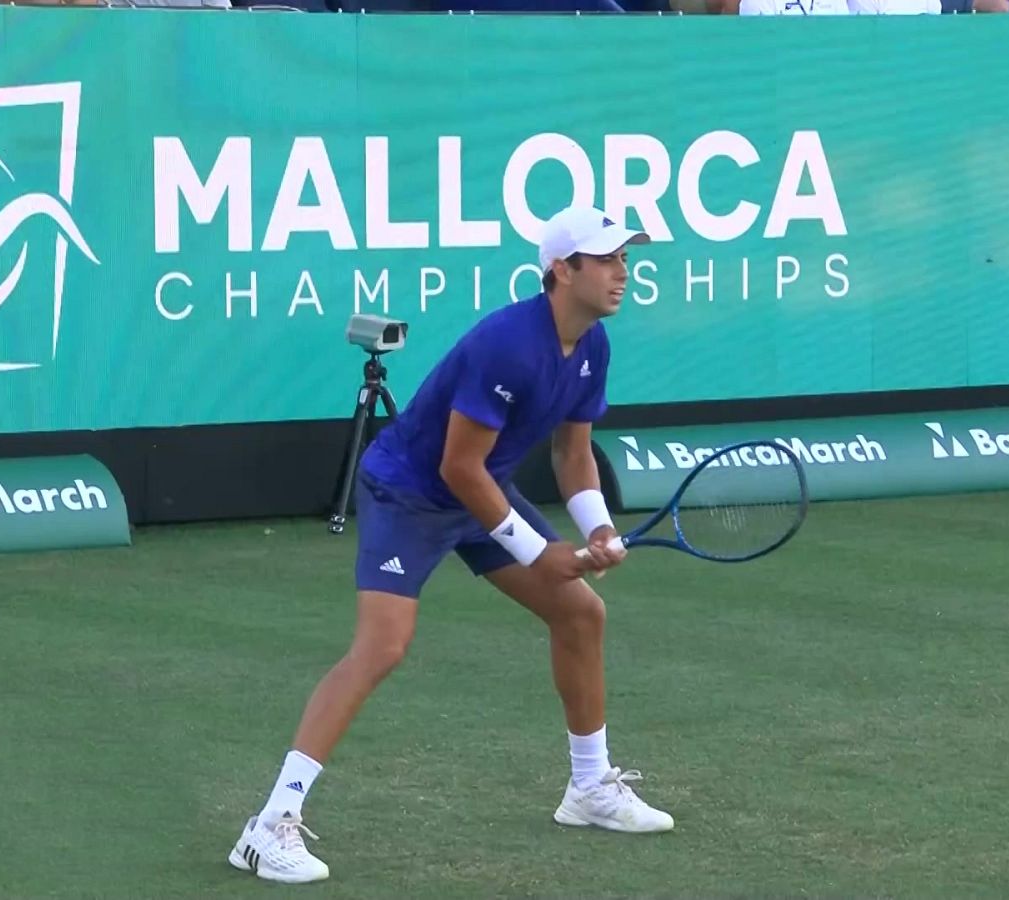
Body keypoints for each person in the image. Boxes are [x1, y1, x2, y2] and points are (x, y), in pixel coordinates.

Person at [227, 205, 675, 885]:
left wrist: (599, 528)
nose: (623, 271)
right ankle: (268, 827)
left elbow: (573, 453)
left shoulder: (592, 346)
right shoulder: (508, 344)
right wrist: (536, 551)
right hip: (410, 494)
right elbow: (457, 467)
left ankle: (589, 788)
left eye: (624, 257)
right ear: (562, 270)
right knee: (383, 646)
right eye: (607, 258)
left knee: (581, 613)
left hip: (481, 493)